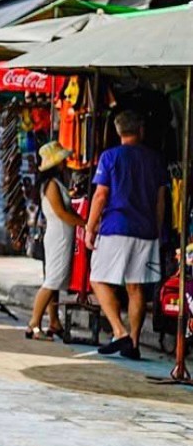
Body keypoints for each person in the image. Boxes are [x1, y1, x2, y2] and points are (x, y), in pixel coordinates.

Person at [84, 111, 169, 360]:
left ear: (118, 131)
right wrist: (157, 229)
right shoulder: (155, 159)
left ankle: (119, 332)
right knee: (136, 286)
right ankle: (133, 342)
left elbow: (100, 195)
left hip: (116, 227)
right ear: (140, 130)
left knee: (97, 279)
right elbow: (160, 200)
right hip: (147, 230)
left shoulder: (110, 156)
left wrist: (90, 228)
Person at [26, 141, 86, 340]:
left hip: (60, 234)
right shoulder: (51, 185)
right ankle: (34, 324)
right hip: (59, 235)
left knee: (55, 279)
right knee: (52, 281)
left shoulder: (55, 184)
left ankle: (54, 322)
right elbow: (61, 212)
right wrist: (84, 223)